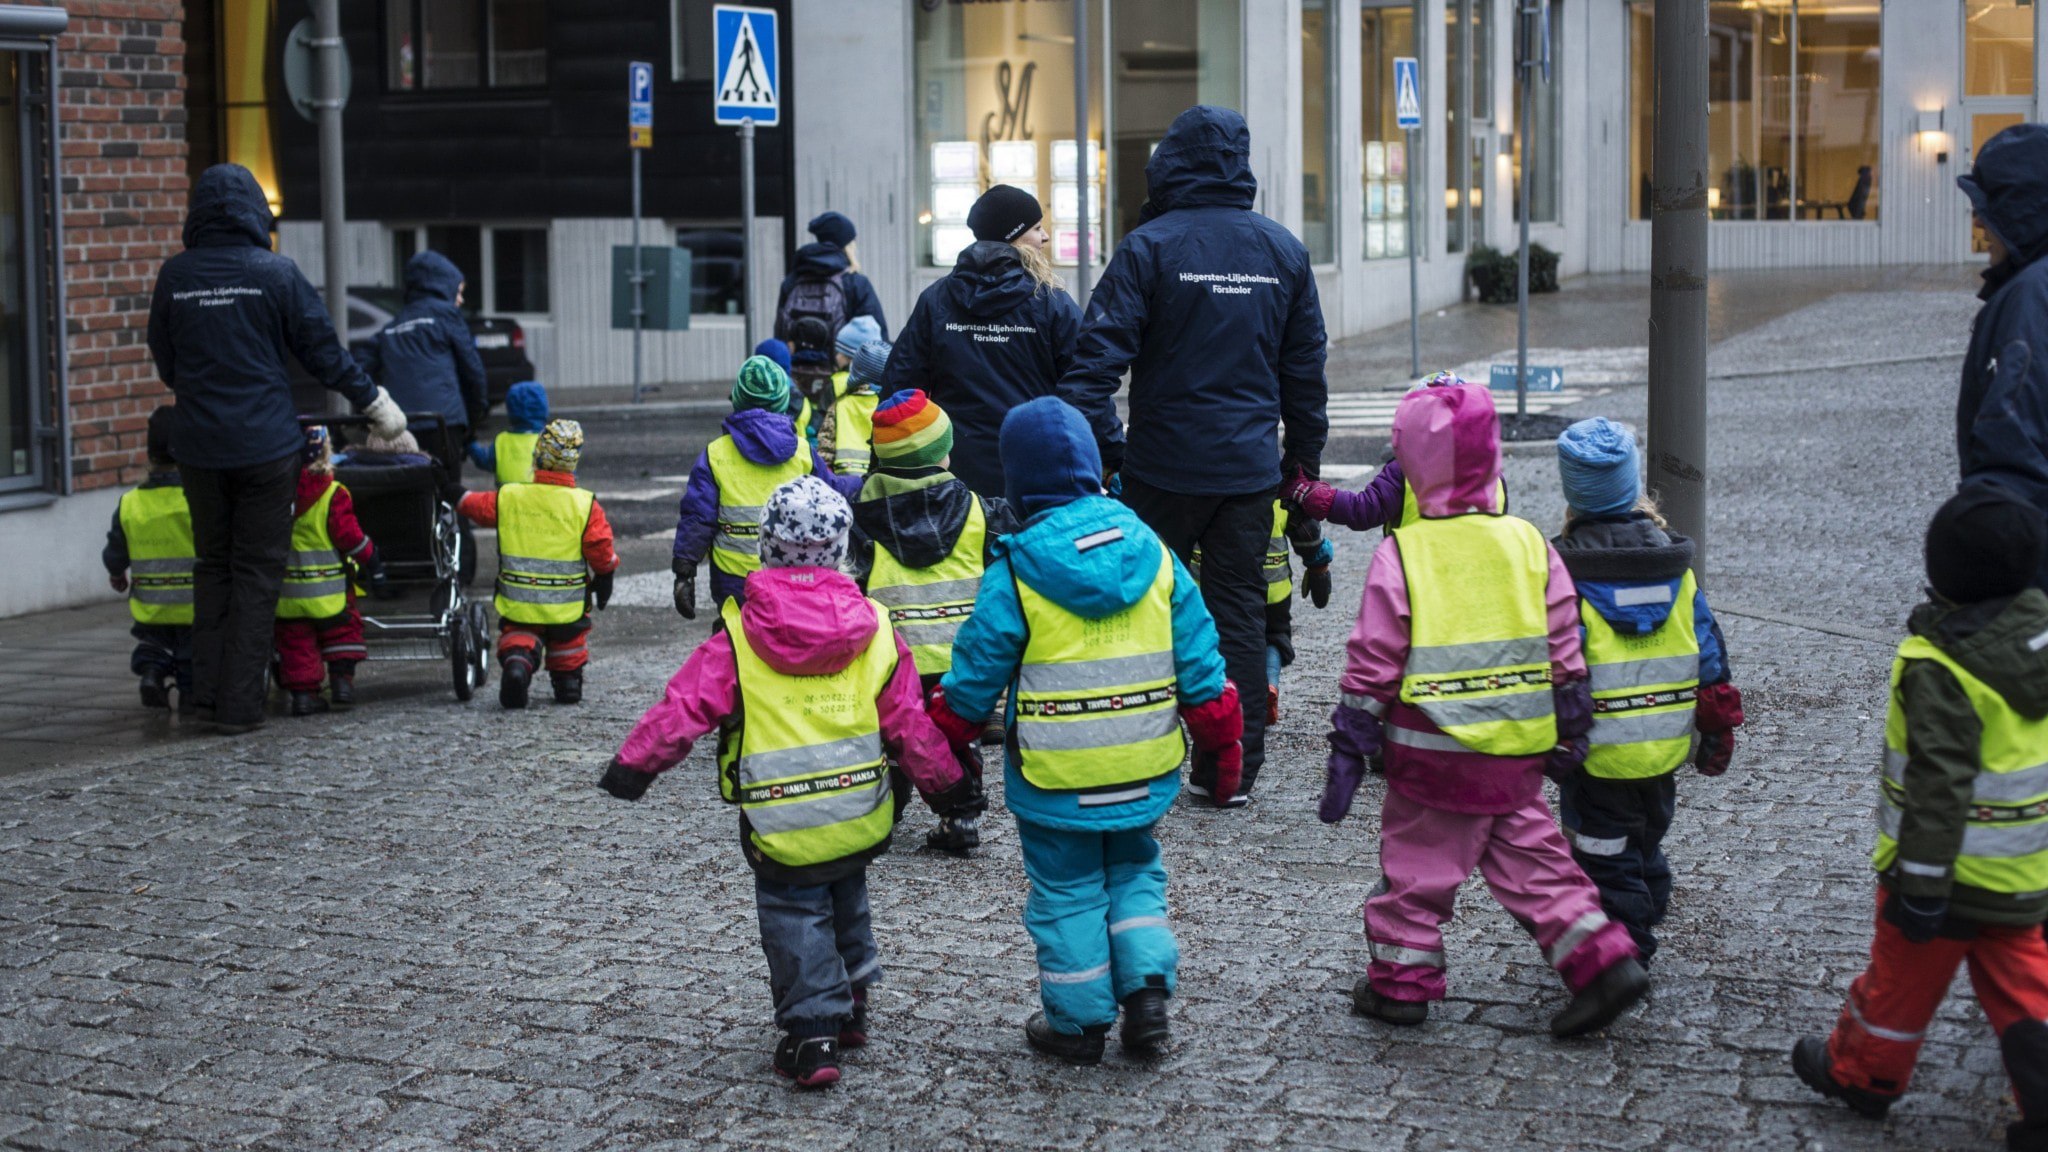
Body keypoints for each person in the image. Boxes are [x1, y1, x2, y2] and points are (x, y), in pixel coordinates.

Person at [599, 475, 974, 1090]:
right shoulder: (877, 627)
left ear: (767, 548)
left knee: (794, 914)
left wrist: (634, 767)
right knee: (845, 893)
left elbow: (684, 708)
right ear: (842, 549)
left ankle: (812, 1032)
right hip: (859, 806)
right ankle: (852, 1003)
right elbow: (907, 723)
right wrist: (948, 788)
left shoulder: (742, 632)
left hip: (781, 818)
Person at [1317, 383, 1648, 1038]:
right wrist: (1571, 723)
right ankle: (1603, 960)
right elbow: (1564, 644)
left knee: (1416, 870)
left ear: (1412, 461)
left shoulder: (1404, 552)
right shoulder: (1529, 542)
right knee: (1537, 862)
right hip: (1517, 751)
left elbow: (1374, 661)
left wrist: (1352, 741)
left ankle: (1402, 983)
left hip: (1430, 753)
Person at [926, 397, 1243, 1065]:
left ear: (1016, 481)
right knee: (1134, 872)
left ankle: (1076, 1024)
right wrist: (1222, 737)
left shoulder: (1014, 568)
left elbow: (978, 670)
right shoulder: (1154, 554)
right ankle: (1147, 990)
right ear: (1097, 469)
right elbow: (1201, 660)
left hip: (1057, 777)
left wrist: (946, 725)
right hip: (1141, 766)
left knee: (1066, 891)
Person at [1055, 106, 1328, 806]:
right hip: (1246, 473)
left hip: (1160, 473)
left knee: (1134, 610)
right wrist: (1300, 473)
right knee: (1236, 613)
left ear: (1169, 164)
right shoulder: (1283, 252)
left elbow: (1089, 375)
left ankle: (1126, 757)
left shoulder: (1148, 248)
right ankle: (1228, 767)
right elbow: (1306, 381)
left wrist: (1111, 457)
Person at [1794, 488, 2048, 1147]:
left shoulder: (1940, 666)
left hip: (1943, 883)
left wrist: (1923, 885)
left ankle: (1860, 1077)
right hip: (2021, 874)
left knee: (1897, 993)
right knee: (2029, 999)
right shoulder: (2036, 645)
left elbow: (1938, 787)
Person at [147, 162, 406, 734]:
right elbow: (324, 354)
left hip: (198, 447)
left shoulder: (175, 276)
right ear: (252, 212)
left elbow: (166, 363)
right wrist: (377, 407)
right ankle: (239, 711)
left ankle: (205, 700)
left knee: (213, 567)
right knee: (259, 574)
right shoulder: (275, 273)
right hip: (265, 447)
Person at [1548, 418, 1744, 967]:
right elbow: (1709, 648)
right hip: (1664, 745)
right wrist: (1717, 724)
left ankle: (1625, 948)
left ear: (1574, 495)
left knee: (1601, 853)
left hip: (1599, 753)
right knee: (1647, 832)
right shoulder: (1673, 567)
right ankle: (1652, 885)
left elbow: (1554, 661)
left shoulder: (1564, 573)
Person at [849, 390, 1020, 853]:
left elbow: (851, 583)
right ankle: (960, 814)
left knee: (894, 739)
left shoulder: (861, 516)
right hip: (962, 657)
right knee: (954, 736)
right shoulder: (981, 511)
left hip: (892, 657)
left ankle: (884, 812)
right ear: (942, 452)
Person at [882, 185, 1081, 497]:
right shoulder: (1051, 302)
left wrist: (887, 461)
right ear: (1013, 236)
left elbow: (901, 386)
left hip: (955, 471)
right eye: (1037, 228)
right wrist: (1105, 453)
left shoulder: (937, 300)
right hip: (1036, 467)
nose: (1045, 237)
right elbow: (1084, 384)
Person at [670, 357, 859, 616]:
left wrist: (684, 569)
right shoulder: (802, 452)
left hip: (734, 577)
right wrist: (867, 482)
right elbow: (833, 493)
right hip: (793, 571)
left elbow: (698, 518)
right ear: (782, 401)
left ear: (737, 399)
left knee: (736, 641)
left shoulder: (715, 455)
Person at [457, 420, 618, 708]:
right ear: (573, 462)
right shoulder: (584, 504)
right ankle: (568, 682)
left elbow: (476, 506)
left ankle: (518, 666)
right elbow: (600, 547)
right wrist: (605, 574)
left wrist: (454, 492)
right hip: (567, 605)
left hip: (520, 599)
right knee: (568, 642)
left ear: (538, 456)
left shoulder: (511, 497)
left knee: (518, 636)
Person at [1956, 123, 2048, 594]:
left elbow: (2011, 457)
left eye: (1986, 206)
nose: (1977, 221)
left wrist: (1978, 581)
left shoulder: (2029, 299)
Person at [274, 426, 385, 716]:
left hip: (288, 593)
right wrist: (371, 557)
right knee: (343, 630)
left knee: (296, 642)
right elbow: (349, 537)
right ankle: (341, 683)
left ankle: (303, 696)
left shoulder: (275, 494)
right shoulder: (333, 493)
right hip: (330, 592)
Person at [359, 249, 490, 478]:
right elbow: (473, 372)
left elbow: (359, 367)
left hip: (401, 426)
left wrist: (371, 416)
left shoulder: (392, 326)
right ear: (443, 287)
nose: (461, 299)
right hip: (444, 422)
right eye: (458, 292)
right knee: (448, 492)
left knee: (412, 494)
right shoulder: (448, 316)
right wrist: (473, 420)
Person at [103, 407, 195, 711]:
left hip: (151, 602)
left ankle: (152, 674)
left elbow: (116, 548)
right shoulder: (195, 499)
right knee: (190, 653)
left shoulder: (131, 502)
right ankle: (190, 694)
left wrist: (117, 572)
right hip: (195, 602)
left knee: (152, 643)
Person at [824, 339, 888, 479]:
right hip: (883, 483)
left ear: (855, 372)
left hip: (845, 483)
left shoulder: (839, 406)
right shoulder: (890, 406)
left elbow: (825, 453)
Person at [467, 381, 550, 486]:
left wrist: (470, 444)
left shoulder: (502, 441)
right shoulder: (550, 441)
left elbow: (484, 460)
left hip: (506, 500)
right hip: (539, 500)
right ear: (544, 408)